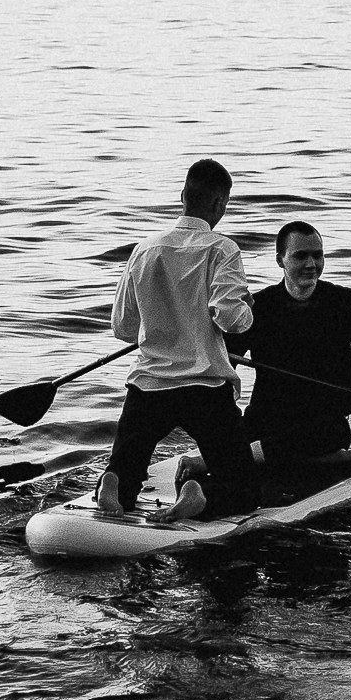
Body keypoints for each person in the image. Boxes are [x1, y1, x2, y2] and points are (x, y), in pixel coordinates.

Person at [199, 221, 351, 489]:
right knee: (230, 446)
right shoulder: (258, 309)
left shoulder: (345, 303)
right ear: (280, 260)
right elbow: (223, 360)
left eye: (317, 255)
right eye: (300, 256)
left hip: (324, 424)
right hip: (266, 419)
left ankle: (222, 462)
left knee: (247, 462)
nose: (311, 264)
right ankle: (337, 463)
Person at [99, 158, 259, 522]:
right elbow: (231, 319)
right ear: (221, 204)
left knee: (128, 465)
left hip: (148, 383)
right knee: (244, 489)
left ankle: (113, 484)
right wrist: (247, 307)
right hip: (204, 386)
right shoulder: (222, 249)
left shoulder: (145, 249)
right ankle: (198, 495)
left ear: (182, 196)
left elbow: (123, 327)